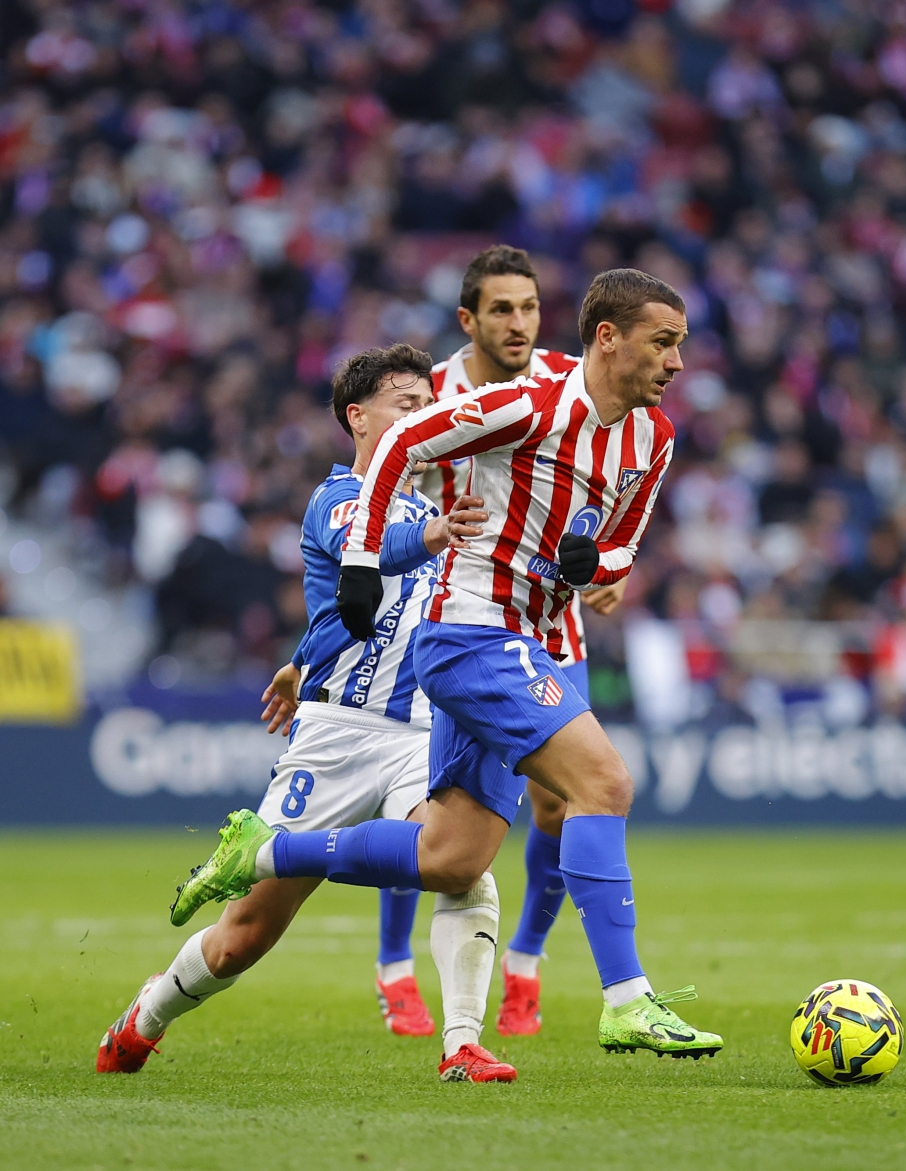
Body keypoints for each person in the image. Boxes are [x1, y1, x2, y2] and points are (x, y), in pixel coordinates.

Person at [171, 269, 724, 1060]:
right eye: (664, 342)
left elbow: (622, 549)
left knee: (452, 858)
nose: (677, 362)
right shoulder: (531, 402)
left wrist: (590, 561)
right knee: (604, 782)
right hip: (470, 633)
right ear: (609, 337)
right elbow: (402, 441)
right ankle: (626, 999)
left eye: (681, 345)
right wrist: (363, 559)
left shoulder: (654, 439)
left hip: (528, 636)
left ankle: (262, 851)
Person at [97, 343, 517, 1084]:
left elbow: (369, 607)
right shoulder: (341, 498)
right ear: (358, 418)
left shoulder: (439, 504)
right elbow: (375, 553)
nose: (426, 419)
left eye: (430, 407)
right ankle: (145, 1017)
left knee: (463, 867)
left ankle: (462, 1043)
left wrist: (299, 655)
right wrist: (431, 536)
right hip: (338, 736)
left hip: (422, 730)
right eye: (407, 406)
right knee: (243, 936)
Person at [423, 244, 629, 1036]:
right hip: (457, 618)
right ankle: (397, 972)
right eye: (502, 309)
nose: (520, 323)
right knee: (431, 811)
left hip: (551, 623)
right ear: (468, 318)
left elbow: (609, 513)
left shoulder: (564, 382)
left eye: (531, 307)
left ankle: (527, 961)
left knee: (556, 802)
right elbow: (392, 485)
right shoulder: (435, 392)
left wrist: (610, 565)